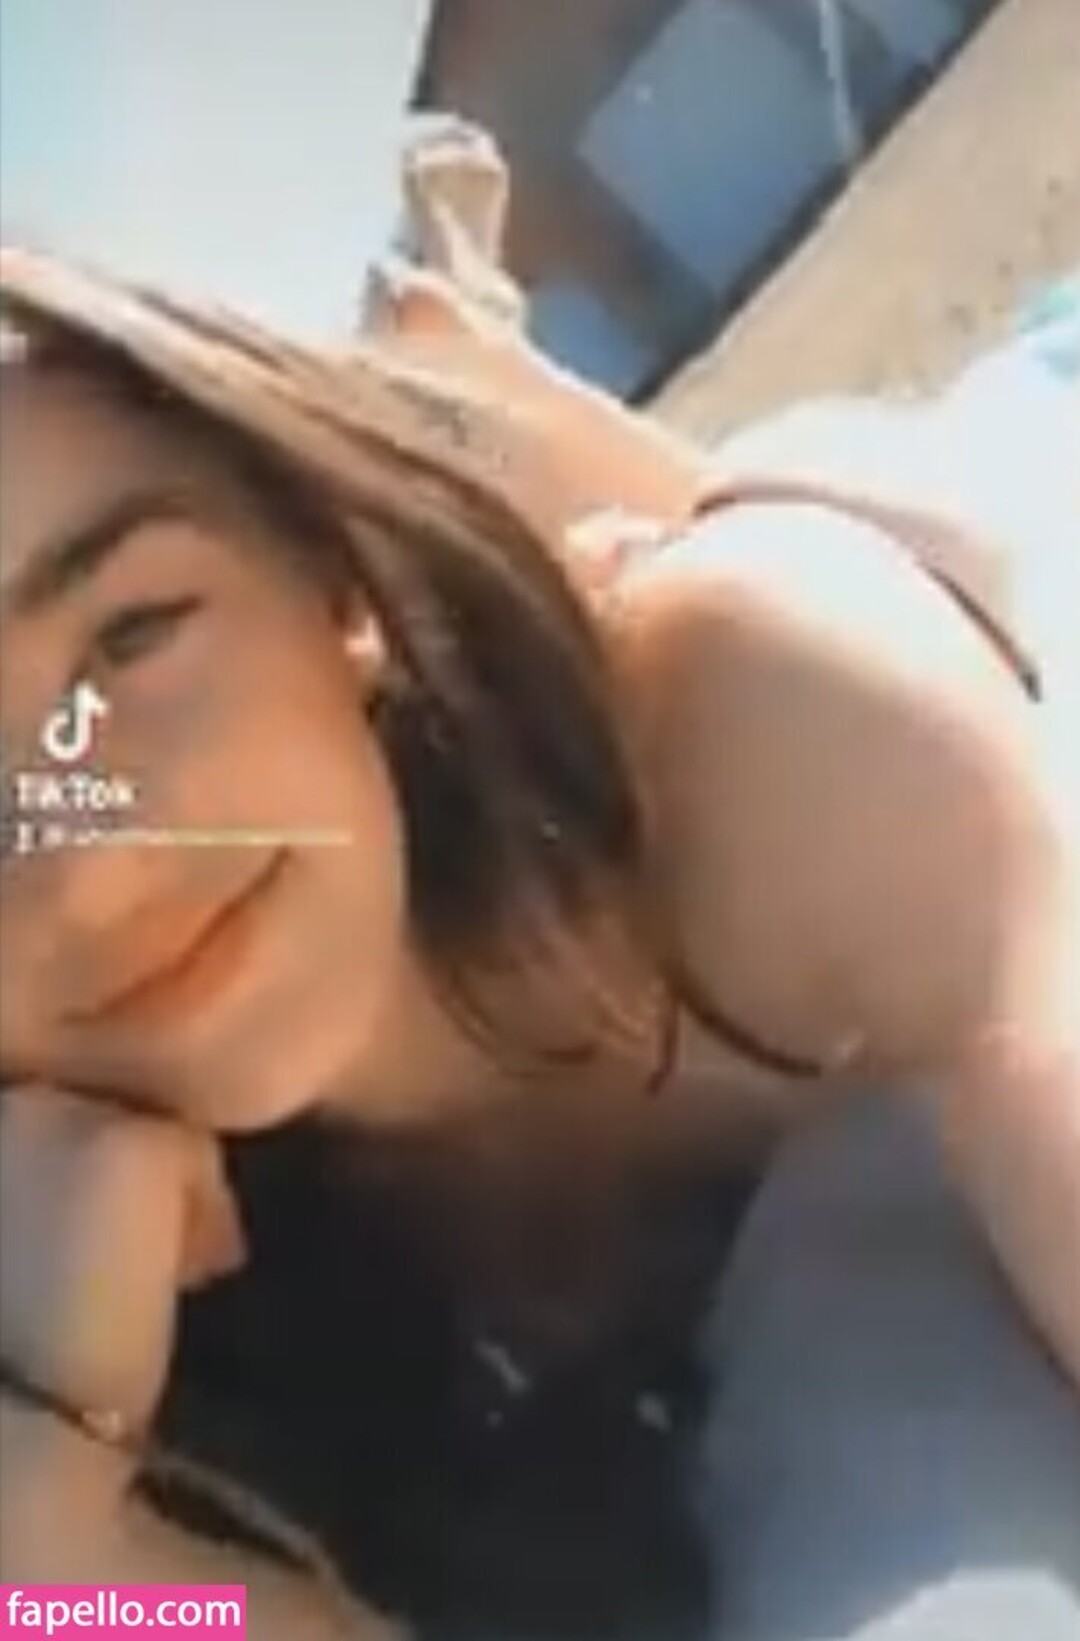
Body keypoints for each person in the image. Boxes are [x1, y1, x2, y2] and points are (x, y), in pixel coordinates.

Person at [1, 154, 1078, 1636]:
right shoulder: (89, 1270)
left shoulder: (744, 719)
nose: (92, 867)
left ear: (339, 583)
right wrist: (68, 1508)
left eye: (132, 637)